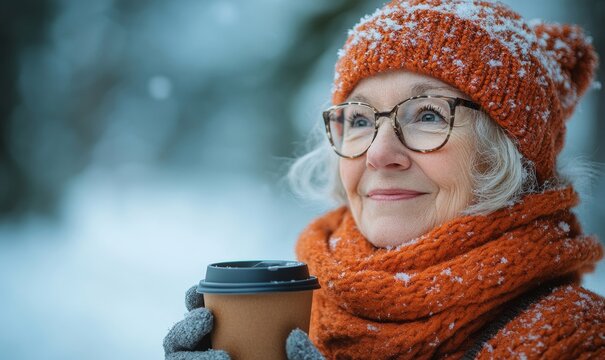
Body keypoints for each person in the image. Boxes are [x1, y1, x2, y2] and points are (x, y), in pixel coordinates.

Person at [163, 0, 605, 359]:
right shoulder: (302, 313)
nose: (378, 153)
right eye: (359, 119)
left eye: (429, 115)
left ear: (507, 154)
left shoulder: (572, 341)